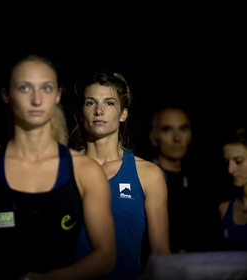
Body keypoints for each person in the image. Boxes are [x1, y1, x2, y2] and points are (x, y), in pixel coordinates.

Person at [0, 53, 116, 280]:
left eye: (47, 88)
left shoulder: (86, 171)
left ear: (58, 95)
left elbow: (106, 256)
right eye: (24, 88)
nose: (37, 99)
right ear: (6, 94)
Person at [70, 69, 171, 280]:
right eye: (90, 102)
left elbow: (161, 255)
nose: (99, 110)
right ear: (81, 112)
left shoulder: (148, 174)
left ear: (123, 113)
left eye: (109, 103)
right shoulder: (62, 168)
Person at [146, 104, 226, 255]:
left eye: (183, 129)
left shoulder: (204, 181)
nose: (177, 138)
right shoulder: (144, 180)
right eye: (167, 130)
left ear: (190, 134)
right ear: (153, 137)